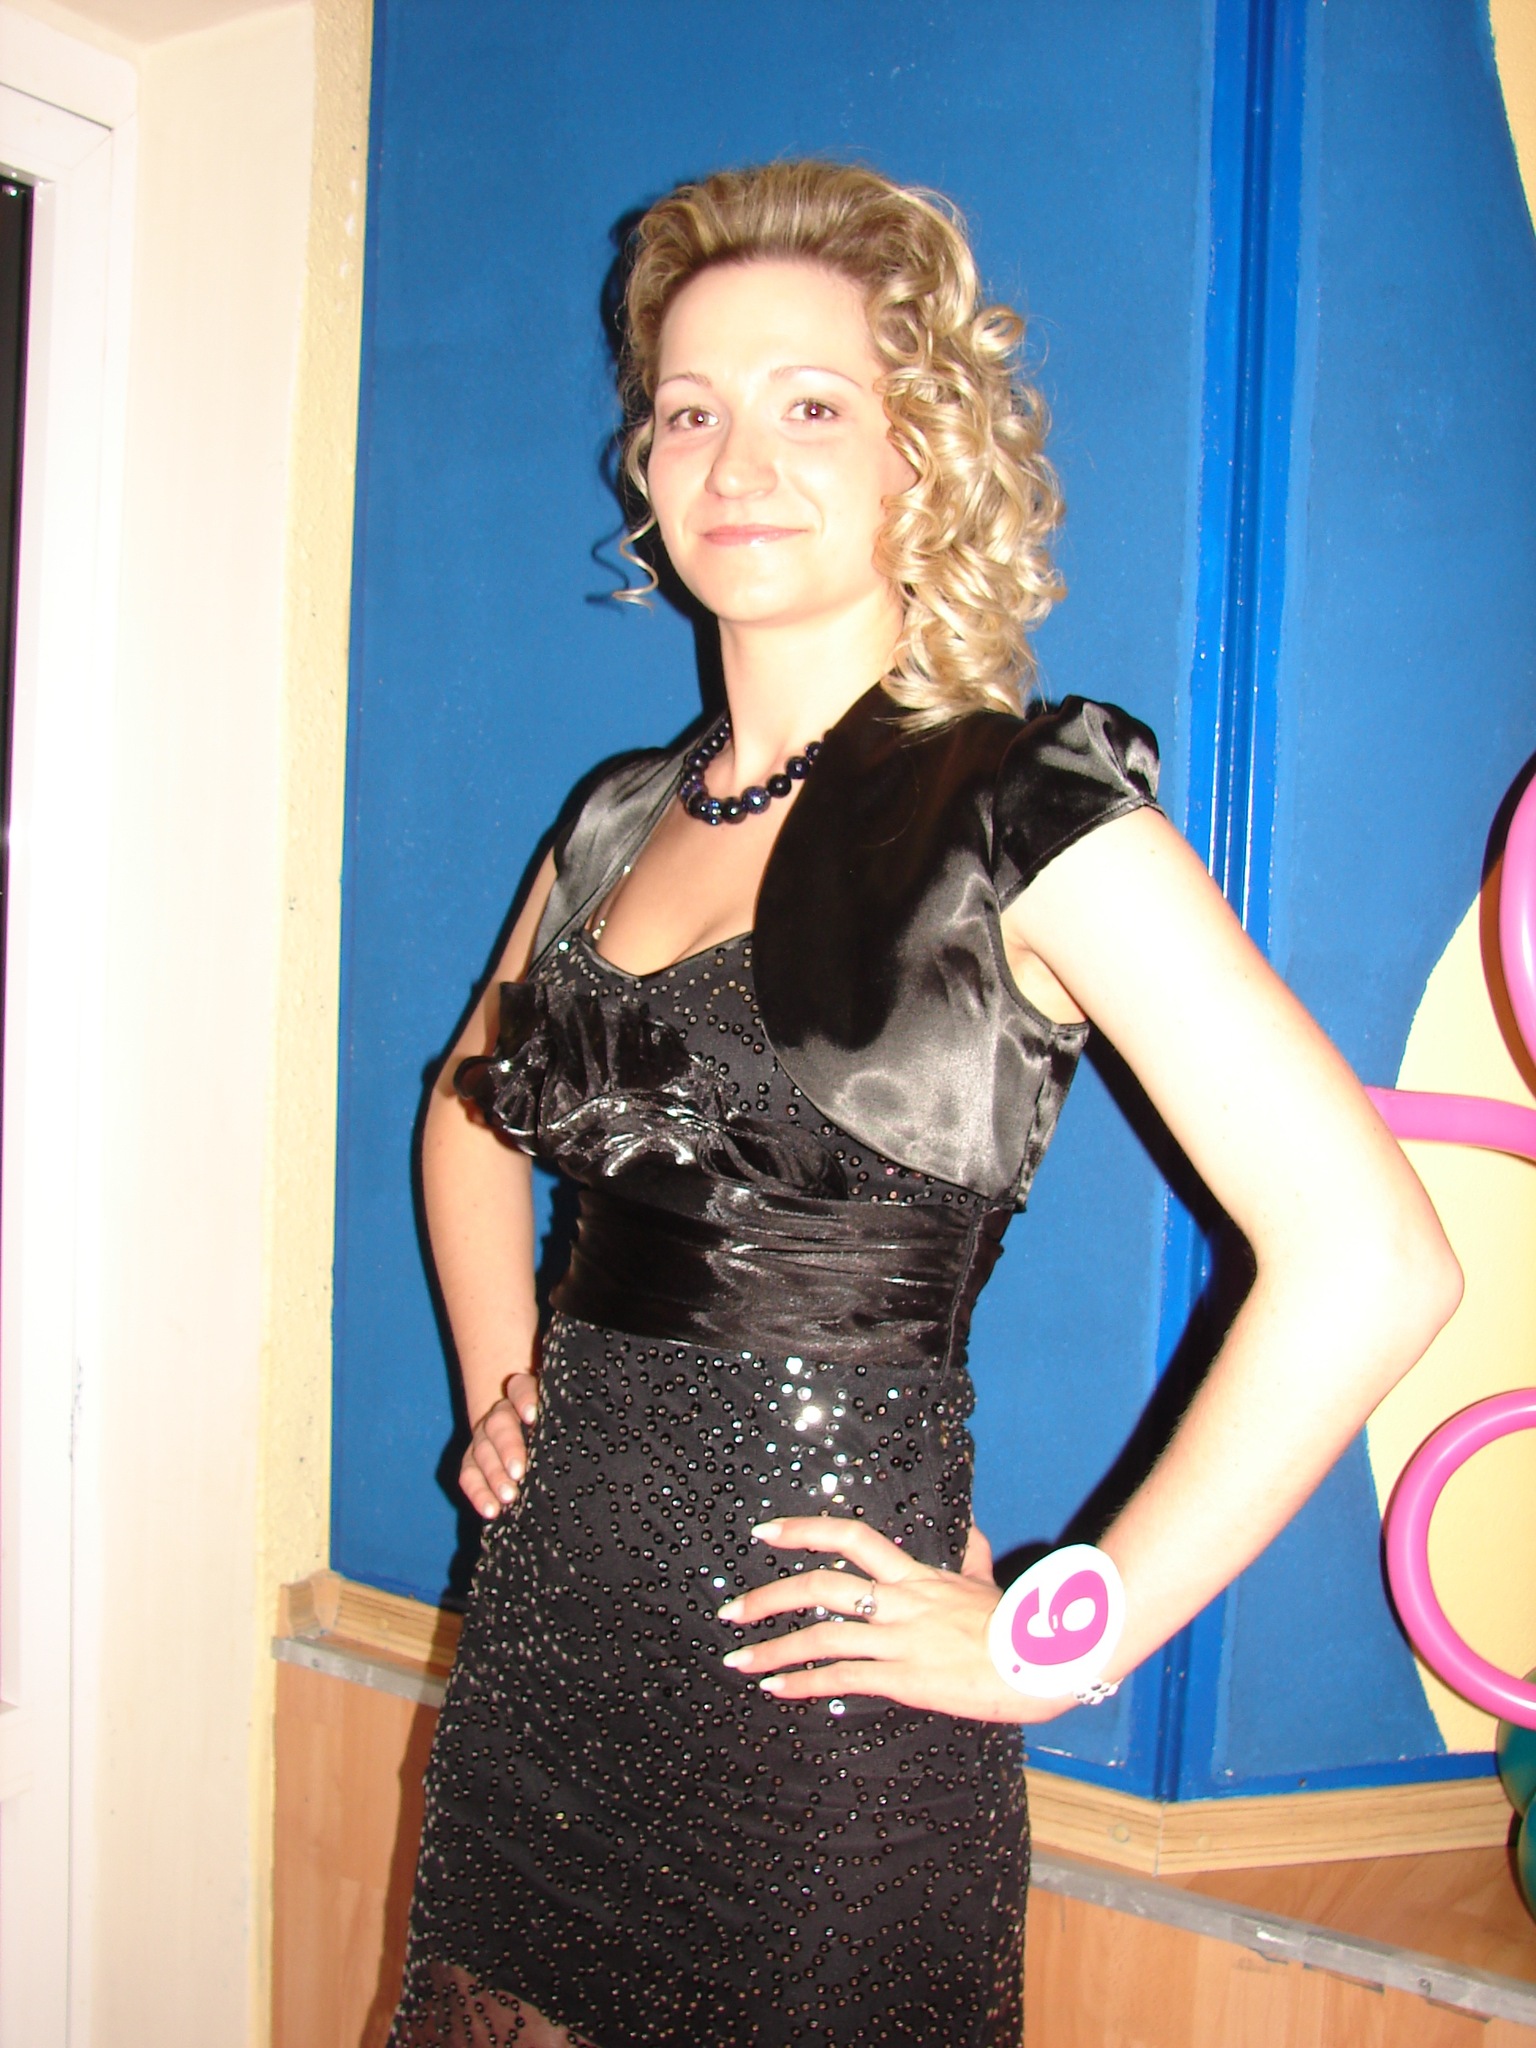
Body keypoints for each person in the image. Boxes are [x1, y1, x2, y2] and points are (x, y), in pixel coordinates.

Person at [387, 161, 1460, 2048]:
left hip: (824, 1737)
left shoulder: (1022, 810)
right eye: (689, 413)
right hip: (548, 1658)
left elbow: (1376, 1262)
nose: (737, 462)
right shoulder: (615, 818)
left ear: (923, 458)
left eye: (812, 407)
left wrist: (1069, 1628)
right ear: (644, 468)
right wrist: (501, 1383)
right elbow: (471, 1114)